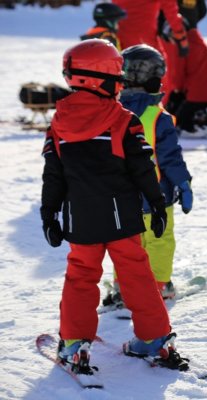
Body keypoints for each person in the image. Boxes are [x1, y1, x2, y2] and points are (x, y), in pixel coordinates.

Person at [40, 39, 186, 373]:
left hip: (82, 220)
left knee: (80, 277)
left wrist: (49, 214)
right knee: (138, 276)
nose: (119, 85)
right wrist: (158, 205)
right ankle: (153, 339)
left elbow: (53, 175)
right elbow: (143, 169)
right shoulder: (124, 120)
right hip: (122, 217)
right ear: (98, 78)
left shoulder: (59, 123)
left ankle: (75, 344)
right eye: (116, 78)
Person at [102, 44, 193, 308]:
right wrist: (184, 184)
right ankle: (158, 285)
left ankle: (123, 285)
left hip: (122, 196)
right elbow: (170, 158)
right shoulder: (158, 117)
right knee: (159, 239)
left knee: (128, 243)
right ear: (152, 79)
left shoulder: (110, 113)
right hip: (157, 196)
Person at [158, 0, 207, 132]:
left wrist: (177, 90)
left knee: (179, 116)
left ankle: (193, 126)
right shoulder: (199, 41)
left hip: (199, 93)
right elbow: (203, 10)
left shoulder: (180, 48)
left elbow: (177, 76)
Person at [113, 0, 189, 96]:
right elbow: (170, 7)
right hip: (145, 39)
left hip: (121, 39)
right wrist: (179, 34)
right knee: (160, 78)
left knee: (124, 78)